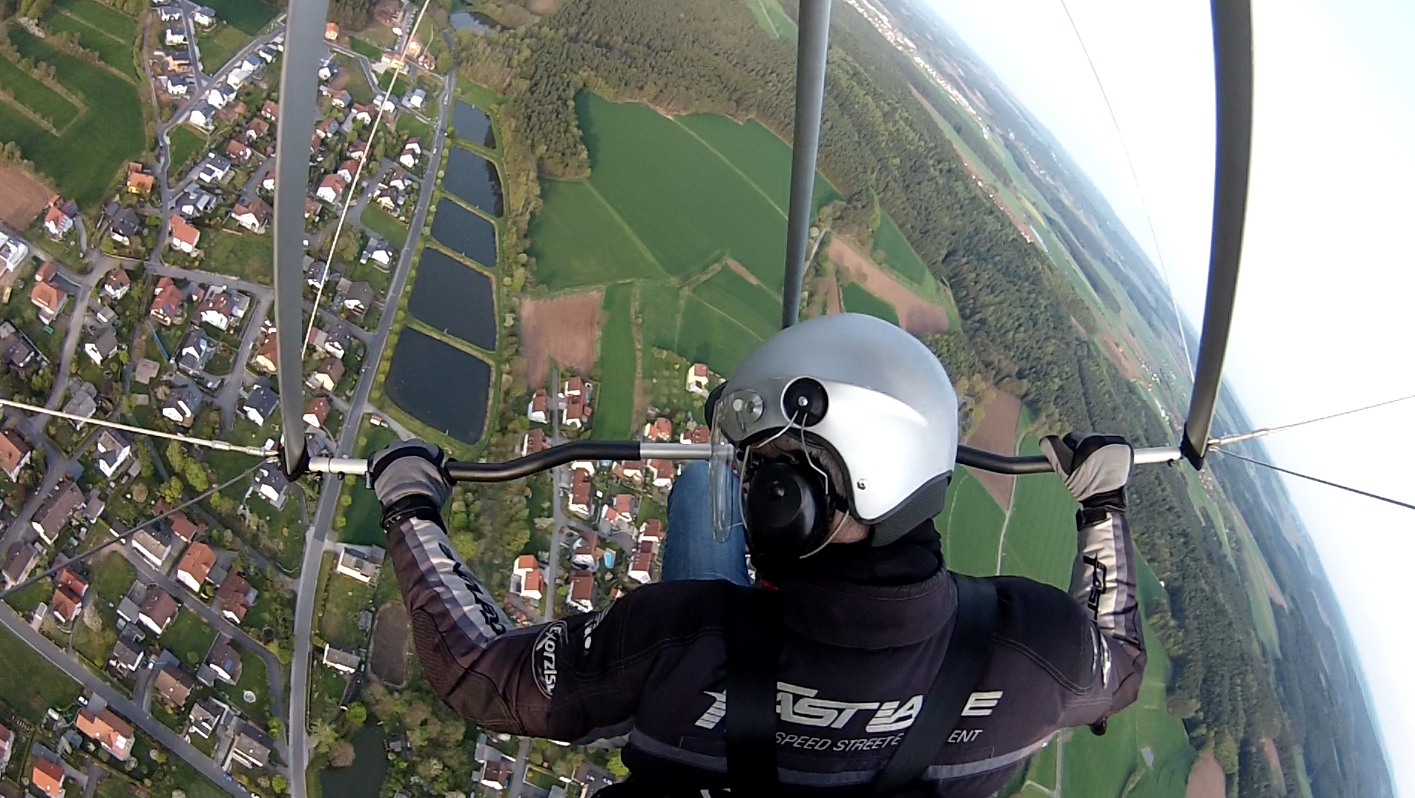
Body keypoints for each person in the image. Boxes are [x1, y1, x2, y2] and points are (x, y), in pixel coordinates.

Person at [369, 313, 1145, 796]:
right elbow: (1121, 667)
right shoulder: (1037, 648)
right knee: (702, 489)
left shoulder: (674, 636)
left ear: (794, 499)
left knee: (695, 488)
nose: (750, 486)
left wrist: (410, 505)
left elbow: (479, 675)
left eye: (764, 472)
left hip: (712, 673)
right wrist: (1102, 502)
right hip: (760, 669)